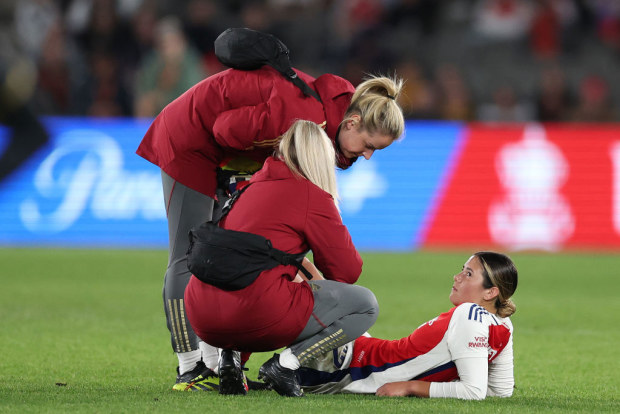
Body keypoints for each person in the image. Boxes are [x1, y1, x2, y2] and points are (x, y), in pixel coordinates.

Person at [136, 46, 405, 392]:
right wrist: (243, 179)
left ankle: (219, 362)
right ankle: (190, 368)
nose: (366, 156)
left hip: (224, 156)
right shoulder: (304, 117)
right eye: (369, 145)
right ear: (351, 122)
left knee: (232, 255)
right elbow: (224, 129)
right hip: (190, 143)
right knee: (189, 257)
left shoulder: (323, 117)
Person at [184, 120, 380, 397]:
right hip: (254, 315)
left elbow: (247, 262)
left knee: (263, 277)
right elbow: (347, 271)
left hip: (202, 317)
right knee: (365, 305)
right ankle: (286, 365)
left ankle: (231, 360)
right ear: (322, 159)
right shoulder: (311, 194)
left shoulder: (249, 188)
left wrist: (295, 266)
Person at [296, 251, 518, 400]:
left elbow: (475, 391)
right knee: (314, 283)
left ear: (491, 292)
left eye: (468, 274)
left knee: (301, 280)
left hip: (350, 367)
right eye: (462, 269)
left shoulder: (469, 314)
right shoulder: (503, 325)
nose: (457, 276)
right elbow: (500, 391)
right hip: (364, 351)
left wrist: (411, 386)